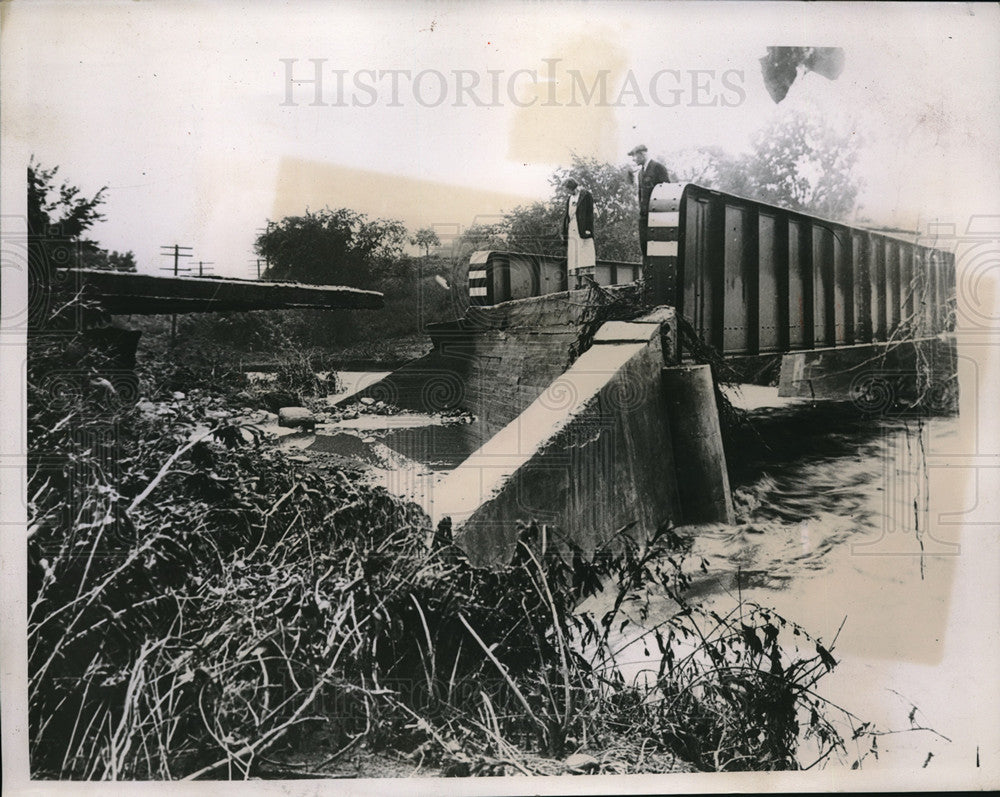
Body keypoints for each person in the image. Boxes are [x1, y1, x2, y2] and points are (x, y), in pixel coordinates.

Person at [628, 144, 670, 260]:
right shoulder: (641, 173)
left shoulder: (658, 168)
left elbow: (667, 191)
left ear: (642, 154)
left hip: (657, 214)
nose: (633, 159)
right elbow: (641, 195)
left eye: (634, 156)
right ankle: (647, 276)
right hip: (645, 214)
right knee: (644, 245)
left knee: (658, 247)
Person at [559, 177, 596, 289]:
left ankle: (590, 283)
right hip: (572, 229)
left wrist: (589, 228)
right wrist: (564, 231)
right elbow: (567, 216)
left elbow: (590, 213)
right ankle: (579, 284)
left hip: (583, 229)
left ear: (571, 187)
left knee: (586, 255)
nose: (566, 192)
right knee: (574, 256)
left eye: (566, 189)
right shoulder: (569, 199)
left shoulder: (585, 195)